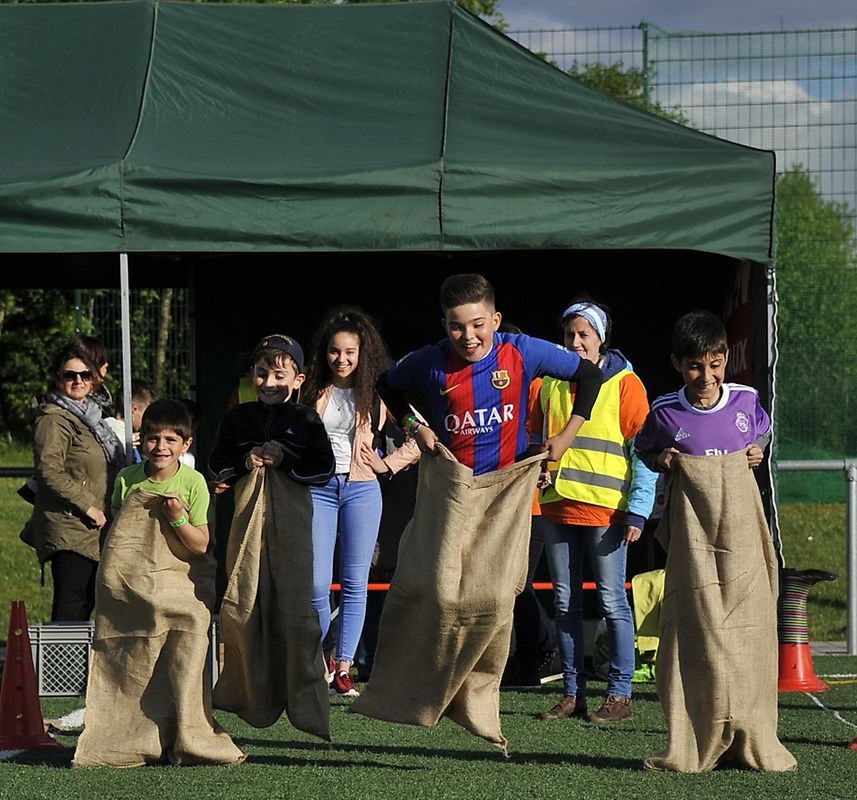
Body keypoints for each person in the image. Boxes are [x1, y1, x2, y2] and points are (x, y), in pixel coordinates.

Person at [635, 309, 796, 773]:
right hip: (695, 545)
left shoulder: (745, 400)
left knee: (749, 628)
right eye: (694, 367)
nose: (706, 377)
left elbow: (763, 431)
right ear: (677, 364)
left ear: (726, 359)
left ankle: (751, 733)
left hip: (741, 538)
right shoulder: (665, 411)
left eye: (715, 364)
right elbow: (644, 450)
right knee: (698, 630)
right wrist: (665, 458)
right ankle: (696, 736)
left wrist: (757, 451)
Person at [72, 399, 244, 767]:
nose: (161, 447)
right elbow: (124, 537)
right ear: (140, 441)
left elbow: (200, 545)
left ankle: (187, 732)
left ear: (187, 444)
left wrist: (178, 519)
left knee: (190, 634)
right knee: (131, 655)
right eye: (152, 438)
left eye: (170, 439)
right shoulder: (126, 480)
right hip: (132, 586)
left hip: (181, 585)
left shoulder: (193, 482)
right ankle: (130, 734)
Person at [529, 298, 657, 723]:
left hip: (607, 514)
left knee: (611, 601)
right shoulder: (546, 381)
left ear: (601, 338)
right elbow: (533, 439)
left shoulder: (625, 383)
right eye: (569, 335)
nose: (576, 342)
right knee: (565, 603)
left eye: (584, 334)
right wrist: (538, 472)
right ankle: (572, 692)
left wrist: (638, 511)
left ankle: (619, 695)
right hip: (556, 507)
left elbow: (647, 453)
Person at [302, 307, 420, 698]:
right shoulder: (310, 391)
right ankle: (323, 658)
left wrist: (387, 464)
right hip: (318, 488)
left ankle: (345, 667)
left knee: (356, 583)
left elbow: (420, 437)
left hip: (362, 489)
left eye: (350, 352)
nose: (342, 359)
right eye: (334, 351)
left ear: (362, 353)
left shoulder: (378, 392)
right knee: (318, 583)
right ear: (324, 354)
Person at [377, 273, 603, 472]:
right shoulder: (430, 361)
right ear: (445, 325)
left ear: (495, 321)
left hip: (509, 485)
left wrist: (566, 437)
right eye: (457, 327)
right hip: (453, 486)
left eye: (477, 324)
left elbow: (591, 375)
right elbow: (385, 385)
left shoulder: (523, 351)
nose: (468, 336)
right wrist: (414, 427)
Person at [28, 338, 125, 621]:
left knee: (86, 606)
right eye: (70, 375)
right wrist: (88, 506)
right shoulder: (53, 419)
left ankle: (76, 665)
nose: (78, 381)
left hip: (93, 530)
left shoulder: (91, 417)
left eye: (85, 374)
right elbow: (49, 471)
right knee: (71, 609)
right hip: (70, 528)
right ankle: (60, 666)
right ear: (57, 377)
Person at [208, 333, 335, 492]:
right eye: (262, 374)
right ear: (252, 374)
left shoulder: (306, 419)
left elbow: (325, 471)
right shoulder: (235, 418)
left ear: (298, 380)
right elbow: (215, 468)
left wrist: (284, 460)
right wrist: (246, 462)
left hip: (292, 513)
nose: (269, 383)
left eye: (279, 376)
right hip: (247, 513)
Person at [104, 379, 155, 463]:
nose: (148, 419)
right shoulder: (117, 434)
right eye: (146, 413)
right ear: (133, 410)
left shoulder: (128, 437)